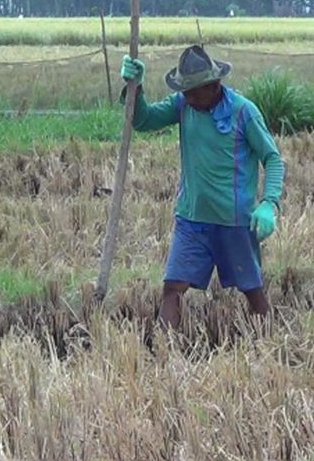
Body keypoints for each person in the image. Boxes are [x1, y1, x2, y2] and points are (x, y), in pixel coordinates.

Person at [119, 45, 285, 331]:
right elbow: (144, 120)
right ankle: (163, 350)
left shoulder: (244, 112)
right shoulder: (183, 105)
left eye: (197, 92)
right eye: (186, 92)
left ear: (215, 85)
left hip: (234, 220)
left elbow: (273, 158)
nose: (191, 98)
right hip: (192, 218)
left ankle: (269, 341)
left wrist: (269, 203)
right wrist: (135, 88)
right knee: (173, 288)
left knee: (252, 289)